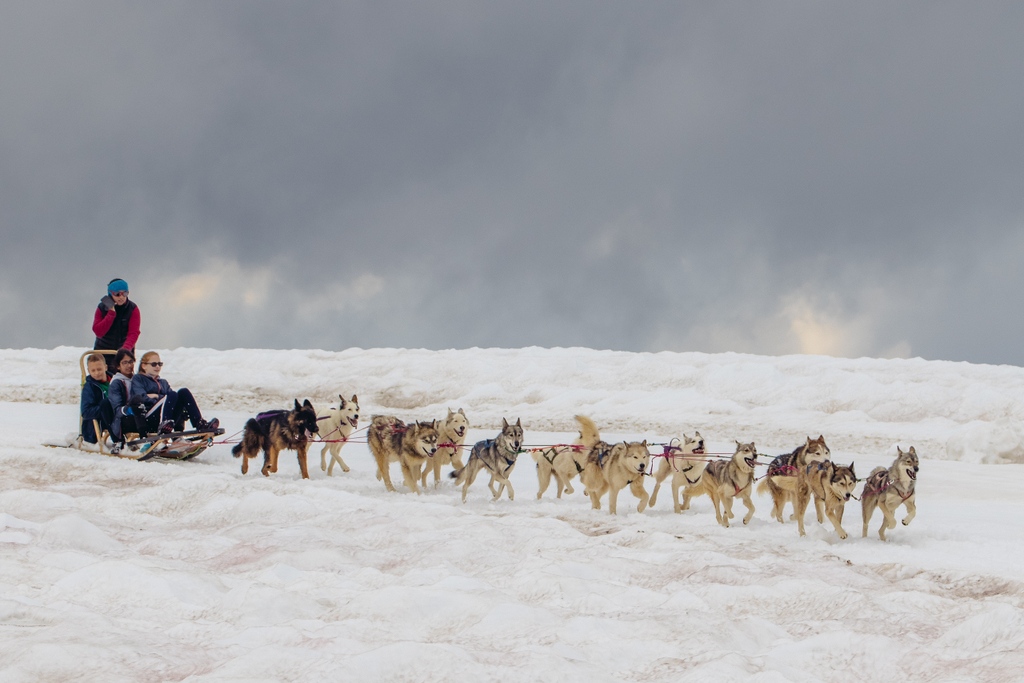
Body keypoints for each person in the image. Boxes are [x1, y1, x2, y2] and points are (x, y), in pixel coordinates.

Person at [130, 351, 219, 435]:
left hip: (168, 418)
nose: (157, 367)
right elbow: (140, 398)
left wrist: (157, 396)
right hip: (149, 417)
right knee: (172, 394)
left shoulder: (163, 382)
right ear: (144, 366)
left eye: (160, 364)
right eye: (154, 364)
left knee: (183, 392)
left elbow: (172, 399)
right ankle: (164, 424)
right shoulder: (138, 379)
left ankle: (199, 423)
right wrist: (162, 399)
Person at [92, 278, 140, 375]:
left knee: (124, 379)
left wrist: (125, 349)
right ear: (111, 294)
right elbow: (98, 332)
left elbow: (134, 333)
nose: (121, 297)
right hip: (103, 352)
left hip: (123, 353)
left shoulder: (133, 309)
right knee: (101, 378)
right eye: (117, 294)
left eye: (125, 293)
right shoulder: (101, 308)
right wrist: (111, 314)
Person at [106, 348, 148, 451]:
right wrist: (130, 410)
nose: (129, 365)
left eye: (131, 362)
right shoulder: (116, 383)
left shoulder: (137, 379)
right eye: (125, 363)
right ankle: (143, 438)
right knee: (137, 399)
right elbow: (116, 409)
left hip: (142, 415)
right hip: (125, 420)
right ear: (118, 366)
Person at [80, 353, 113, 445]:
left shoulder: (115, 381)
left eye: (99, 369)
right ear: (88, 371)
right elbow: (86, 412)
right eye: (93, 370)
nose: (97, 373)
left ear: (105, 367)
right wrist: (106, 408)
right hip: (100, 421)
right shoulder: (89, 387)